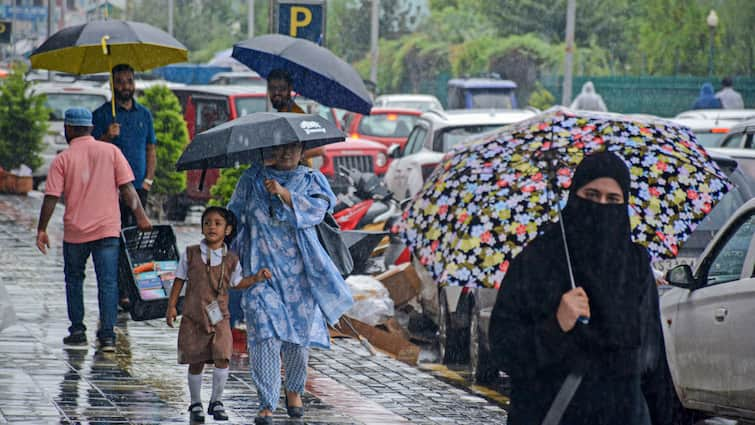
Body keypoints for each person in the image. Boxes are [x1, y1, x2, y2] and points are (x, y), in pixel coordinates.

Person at [489, 151, 668, 425]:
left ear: (624, 204)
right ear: (574, 196)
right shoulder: (538, 260)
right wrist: (556, 325)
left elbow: (653, 365)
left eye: (613, 199)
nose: (601, 205)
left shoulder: (635, 265)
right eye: (591, 195)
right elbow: (504, 351)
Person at [227, 141, 353, 425]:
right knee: (263, 336)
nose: (286, 153)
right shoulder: (251, 178)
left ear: (302, 151)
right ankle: (267, 402)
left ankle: (294, 389)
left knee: (297, 340)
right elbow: (234, 218)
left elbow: (317, 212)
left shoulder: (312, 180)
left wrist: (284, 194)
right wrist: (228, 254)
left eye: (293, 148)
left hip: (300, 279)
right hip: (260, 275)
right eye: (280, 147)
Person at [35, 108, 152, 352]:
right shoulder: (112, 152)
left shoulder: (63, 159)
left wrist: (42, 229)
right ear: (90, 127)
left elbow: (51, 197)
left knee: (74, 280)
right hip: (107, 230)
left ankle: (77, 330)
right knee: (108, 283)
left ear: (68, 129)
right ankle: (107, 336)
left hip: (75, 232)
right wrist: (141, 217)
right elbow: (128, 191)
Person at [166, 206, 271, 423]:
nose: (212, 227)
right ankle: (195, 403)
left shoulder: (231, 259)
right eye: (207, 223)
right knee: (196, 360)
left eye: (217, 223)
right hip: (194, 318)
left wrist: (256, 278)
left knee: (223, 356)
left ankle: (216, 400)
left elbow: (237, 283)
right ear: (202, 228)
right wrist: (172, 306)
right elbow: (179, 281)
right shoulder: (191, 253)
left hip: (220, 318)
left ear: (228, 230)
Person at [92, 63, 157, 311]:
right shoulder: (101, 115)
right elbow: (92, 151)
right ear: (112, 84)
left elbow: (151, 148)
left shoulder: (144, 115)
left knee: (135, 240)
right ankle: (119, 292)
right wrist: (107, 136)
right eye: (120, 82)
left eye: (129, 81)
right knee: (113, 240)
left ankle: (134, 290)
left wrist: (148, 179)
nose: (125, 86)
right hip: (109, 188)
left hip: (138, 187)